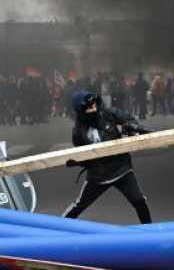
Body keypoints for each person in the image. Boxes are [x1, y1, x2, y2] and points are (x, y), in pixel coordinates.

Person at [62, 90, 154, 224]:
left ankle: (149, 230)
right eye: (90, 108)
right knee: (79, 206)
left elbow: (127, 118)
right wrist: (78, 161)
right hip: (98, 175)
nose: (94, 109)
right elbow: (81, 152)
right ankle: (57, 228)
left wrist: (134, 130)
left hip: (121, 168)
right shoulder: (78, 129)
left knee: (139, 201)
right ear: (81, 111)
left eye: (95, 106)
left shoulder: (106, 113)